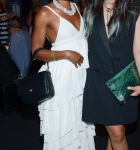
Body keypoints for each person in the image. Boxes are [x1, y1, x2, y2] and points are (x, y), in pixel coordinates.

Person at [82, 0, 140, 150]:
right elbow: (85, 44)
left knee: (116, 133)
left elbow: (139, 49)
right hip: (98, 81)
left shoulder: (134, 11)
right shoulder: (90, 11)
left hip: (123, 80)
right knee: (117, 133)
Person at [31, 0, 95, 149]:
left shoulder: (76, 8)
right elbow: (36, 52)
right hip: (62, 77)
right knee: (64, 123)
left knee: (80, 122)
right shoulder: (45, 12)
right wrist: (65, 54)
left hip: (81, 75)